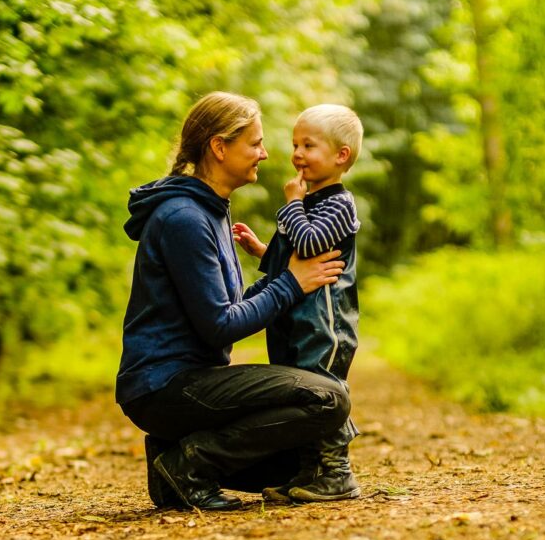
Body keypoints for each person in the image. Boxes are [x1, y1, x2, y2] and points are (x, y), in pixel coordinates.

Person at [115, 91, 351, 512]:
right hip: (164, 384)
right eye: (255, 143)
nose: (264, 153)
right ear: (219, 147)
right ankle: (191, 463)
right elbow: (221, 324)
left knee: (298, 462)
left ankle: (171, 465)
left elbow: (231, 306)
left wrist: (288, 278)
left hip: (190, 380)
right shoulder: (184, 218)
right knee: (327, 399)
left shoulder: (212, 210)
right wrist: (291, 284)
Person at [233, 103, 362, 503]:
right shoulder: (309, 203)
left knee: (323, 388)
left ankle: (337, 472)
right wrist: (262, 250)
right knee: (298, 392)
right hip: (294, 318)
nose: (298, 154)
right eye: (295, 144)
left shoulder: (340, 204)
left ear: (341, 156)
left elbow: (309, 243)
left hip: (324, 322)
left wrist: (291, 204)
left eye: (309, 145)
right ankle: (308, 472)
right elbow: (292, 259)